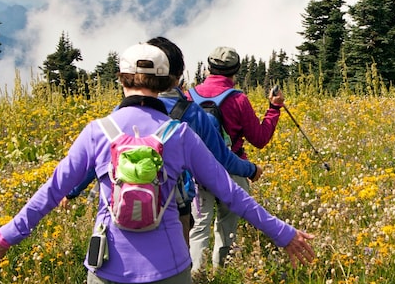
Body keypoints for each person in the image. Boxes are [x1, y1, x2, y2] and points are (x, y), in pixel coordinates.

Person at [0, 42, 315, 284]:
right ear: (167, 83)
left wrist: (5, 237)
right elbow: (231, 193)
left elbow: (51, 191)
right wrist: (285, 235)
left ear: (120, 78)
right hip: (170, 270)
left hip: (108, 266)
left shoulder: (98, 132)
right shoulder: (179, 135)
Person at [62, 37, 263, 250]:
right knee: (177, 261)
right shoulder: (193, 113)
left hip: (126, 203)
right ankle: (196, 278)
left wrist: (71, 190)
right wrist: (250, 169)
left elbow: (97, 157)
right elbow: (222, 158)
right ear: (176, 77)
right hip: (176, 205)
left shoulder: (121, 113)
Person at [187, 46, 283, 269]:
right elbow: (259, 138)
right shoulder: (239, 99)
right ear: (235, 71)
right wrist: (274, 108)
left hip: (197, 171)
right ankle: (220, 272)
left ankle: (196, 278)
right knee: (226, 225)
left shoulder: (188, 97)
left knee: (199, 227)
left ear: (209, 67)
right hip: (233, 169)